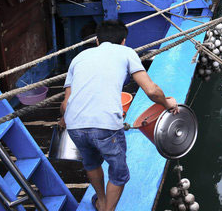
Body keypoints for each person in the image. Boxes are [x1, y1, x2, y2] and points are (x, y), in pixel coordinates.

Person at [60, 20, 179, 211]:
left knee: (91, 163)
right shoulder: (126, 52)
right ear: (124, 41)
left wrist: (63, 120)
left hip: (75, 126)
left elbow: (65, 105)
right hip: (106, 125)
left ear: (97, 41)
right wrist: (167, 103)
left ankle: (101, 202)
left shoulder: (79, 57)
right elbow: (151, 91)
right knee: (119, 173)